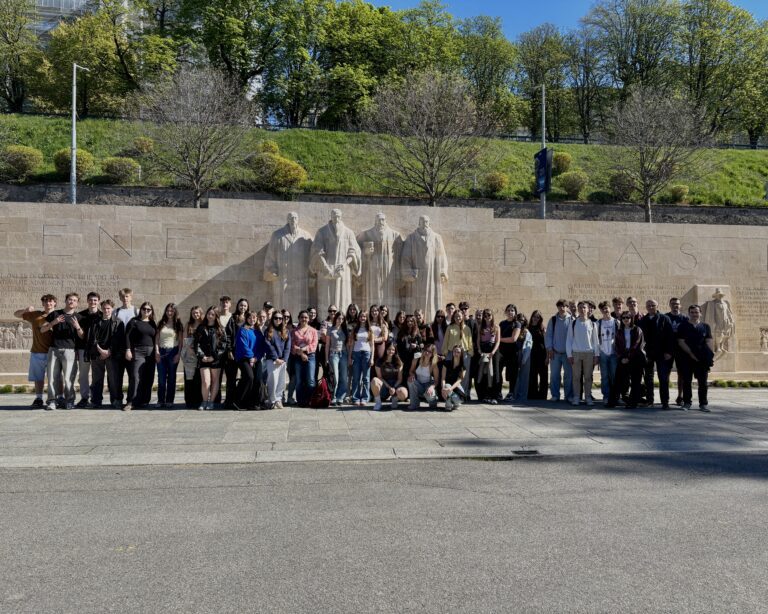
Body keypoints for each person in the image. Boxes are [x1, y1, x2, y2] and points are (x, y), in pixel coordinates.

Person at [40, 293, 84, 410]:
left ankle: (69, 401)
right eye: (70, 299)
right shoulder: (55, 314)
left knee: (68, 378)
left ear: (77, 303)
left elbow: (83, 337)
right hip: (54, 349)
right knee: (52, 377)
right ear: (65, 300)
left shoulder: (78, 317)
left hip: (69, 351)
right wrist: (53, 323)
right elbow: (42, 329)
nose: (71, 302)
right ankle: (52, 401)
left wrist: (78, 327)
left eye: (74, 300)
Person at [14, 294, 56, 408]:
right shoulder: (36, 315)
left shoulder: (59, 315)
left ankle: (57, 397)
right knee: (38, 377)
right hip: (37, 351)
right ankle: (39, 398)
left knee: (55, 377)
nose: (48, 303)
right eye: (46, 301)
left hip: (54, 352)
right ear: (42, 303)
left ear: (55, 303)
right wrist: (25, 310)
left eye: (51, 301)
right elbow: (16, 314)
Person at [86, 299, 124, 409]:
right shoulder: (95, 322)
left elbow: (118, 339)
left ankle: (116, 400)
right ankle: (96, 401)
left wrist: (109, 351)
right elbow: (92, 337)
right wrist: (99, 349)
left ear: (112, 309)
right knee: (96, 379)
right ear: (101, 308)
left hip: (112, 354)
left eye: (108, 308)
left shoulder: (118, 322)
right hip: (97, 354)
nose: (106, 310)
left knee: (113, 379)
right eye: (104, 308)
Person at [677, 304, 714, 412]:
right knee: (687, 381)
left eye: (696, 312)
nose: (694, 314)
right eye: (692, 312)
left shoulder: (705, 326)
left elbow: (709, 341)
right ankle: (687, 403)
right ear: (689, 313)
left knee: (703, 383)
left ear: (700, 313)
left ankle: (703, 404)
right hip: (686, 358)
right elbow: (681, 341)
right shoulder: (683, 326)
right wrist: (691, 354)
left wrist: (710, 355)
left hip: (702, 359)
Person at [638, 299, 675, 409]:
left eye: (653, 305)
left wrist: (669, 352)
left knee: (663, 378)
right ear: (646, 307)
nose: (650, 307)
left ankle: (665, 402)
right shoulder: (642, 320)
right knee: (648, 378)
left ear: (657, 306)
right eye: (648, 305)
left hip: (662, 354)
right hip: (647, 354)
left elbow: (670, 337)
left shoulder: (664, 319)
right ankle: (650, 400)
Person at [566, 301, 600, 407]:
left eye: (584, 307)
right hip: (576, 353)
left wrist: (596, 355)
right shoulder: (573, 323)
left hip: (589, 353)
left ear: (588, 309)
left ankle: (588, 397)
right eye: (580, 307)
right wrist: (569, 355)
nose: (582, 309)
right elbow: (569, 340)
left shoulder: (593, 324)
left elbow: (596, 341)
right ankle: (576, 397)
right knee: (576, 377)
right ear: (578, 309)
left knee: (588, 377)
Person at [124, 302, 157, 410]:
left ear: (151, 311)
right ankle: (131, 402)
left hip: (151, 353)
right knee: (135, 376)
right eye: (144, 309)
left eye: (149, 309)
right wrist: (128, 350)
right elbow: (127, 336)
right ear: (141, 310)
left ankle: (144, 401)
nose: (146, 311)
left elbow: (156, 339)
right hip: (138, 351)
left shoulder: (153, 323)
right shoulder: (134, 321)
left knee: (149, 377)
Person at [195, 306, 228, 411]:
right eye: (209, 313)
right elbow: (196, 343)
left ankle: (211, 402)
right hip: (203, 359)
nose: (210, 316)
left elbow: (223, 345)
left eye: (213, 314)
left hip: (216, 360)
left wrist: (214, 357)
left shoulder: (220, 329)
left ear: (216, 316)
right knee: (205, 381)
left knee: (215, 381)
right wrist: (201, 356)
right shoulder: (201, 327)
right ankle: (204, 401)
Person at [233, 311, 267, 410]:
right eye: (250, 318)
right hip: (243, 358)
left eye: (254, 318)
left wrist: (256, 358)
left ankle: (254, 403)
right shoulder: (243, 330)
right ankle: (238, 401)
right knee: (249, 377)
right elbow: (244, 346)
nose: (253, 319)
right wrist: (251, 357)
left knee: (258, 379)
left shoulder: (258, 331)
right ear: (247, 319)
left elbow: (262, 347)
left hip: (256, 359)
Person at [74, 292, 102, 408]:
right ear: (87, 301)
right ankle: (84, 398)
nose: (93, 302)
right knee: (83, 375)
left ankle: (96, 398)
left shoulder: (102, 315)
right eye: (91, 300)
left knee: (97, 375)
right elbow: (77, 335)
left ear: (98, 301)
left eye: (95, 300)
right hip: (83, 349)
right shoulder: (80, 316)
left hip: (97, 350)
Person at [112, 288, 139, 408]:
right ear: (120, 298)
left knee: (133, 376)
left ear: (131, 297)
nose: (125, 299)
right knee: (118, 376)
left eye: (127, 296)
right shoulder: (116, 312)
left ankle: (130, 400)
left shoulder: (136, 311)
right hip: (119, 349)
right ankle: (118, 399)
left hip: (132, 348)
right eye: (123, 297)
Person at [614, 312, 646, 408]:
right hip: (623, 357)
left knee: (635, 381)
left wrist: (628, 357)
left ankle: (633, 402)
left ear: (631, 318)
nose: (626, 319)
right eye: (623, 318)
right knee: (619, 379)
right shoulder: (619, 331)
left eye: (628, 317)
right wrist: (621, 357)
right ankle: (614, 400)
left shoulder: (637, 329)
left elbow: (637, 344)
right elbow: (617, 346)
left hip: (635, 357)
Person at [154, 303, 183, 408]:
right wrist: (156, 351)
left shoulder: (178, 324)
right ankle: (160, 400)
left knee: (171, 378)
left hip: (173, 352)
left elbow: (180, 342)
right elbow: (156, 339)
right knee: (161, 378)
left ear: (175, 312)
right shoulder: (161, 323)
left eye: (171, 311)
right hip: (161, 351)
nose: (169, 313)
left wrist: (178, 354)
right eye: (168, 310)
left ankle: (170, 400)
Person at [545, 299, 573, 403]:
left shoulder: (572, 320)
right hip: (555, 353)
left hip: (568, 354)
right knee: (554, 375)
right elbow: (548, 335)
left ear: (567, 307)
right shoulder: (553, 320)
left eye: (564, 306)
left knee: (568, 376)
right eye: (560, 306)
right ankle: (555, 395)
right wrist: (550, 348)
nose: (562, 308)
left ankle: (568, 395)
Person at [441, 309, 473, 400]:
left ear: (462, 317)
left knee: (464, 376)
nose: (458, 318)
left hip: (464, 353)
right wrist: (445, 352)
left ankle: (464, 394)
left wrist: (470, 352)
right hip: (452, 353)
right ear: (453, 318)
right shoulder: (450, 327)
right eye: (456, 316)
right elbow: (445, 340)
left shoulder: (467, 328)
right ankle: (451, 393)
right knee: (452, 374)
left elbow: (469, 341)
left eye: (459, 316)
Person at [291, 310, 318, 407]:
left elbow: (314, 345)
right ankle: (301, 401)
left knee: (310, 379)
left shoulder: (313, 331)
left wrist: (303, 349)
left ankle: (310, 400)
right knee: (299, 380)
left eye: (306, 317)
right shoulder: (294, 331)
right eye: (302, 317)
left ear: (309, 319)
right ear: (299, 318)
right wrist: (302, 353)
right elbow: (293, 345)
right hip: (298, 357)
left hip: (310, 356)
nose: (304, 319)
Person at [264, 311, 291, 409]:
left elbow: (288, 347)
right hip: (272, 360)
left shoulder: (286, 331)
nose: (278, 320)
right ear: (272, 319)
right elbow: (268, 346)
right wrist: (276, 358)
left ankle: (278, 399)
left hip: (283, 361)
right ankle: (272, 400)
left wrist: (284, 359)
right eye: (276, 318)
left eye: (280, 318)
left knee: (281, 381)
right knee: (273, 381)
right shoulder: (268, 331)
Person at [372, 342, 408, 410]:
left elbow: (400, 379)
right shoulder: (379, 361)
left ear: (395, 351)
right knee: (374, 380)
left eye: (393, 350)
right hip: (385, 386)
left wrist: (393, 387)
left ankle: (395, 399)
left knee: (404, 394)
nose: (391, 351)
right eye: (389, 349)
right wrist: (389, 387)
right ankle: (378, 403)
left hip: (396, 385)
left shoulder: (399, 362)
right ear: (386, 349)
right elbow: (380, 377)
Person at [666, 297, 689, 406]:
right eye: (673, 304)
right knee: (666, 373)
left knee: (682, 374)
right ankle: (665, 397)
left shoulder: (685, 318)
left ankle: (680, 396)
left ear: (680, 306)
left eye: (677, 304)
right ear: (669, 305)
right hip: (669, 350)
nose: (675, 305)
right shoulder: (665, 317)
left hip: (681, 350)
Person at [348, 310, 374, 406]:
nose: (362, 318)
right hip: (356, 354)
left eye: (364, 316)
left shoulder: (370, 330)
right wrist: (350, 357)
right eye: (361, 316)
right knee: (356, 378)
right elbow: (351, 344)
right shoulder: (355, 329)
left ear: (366, 318)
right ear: (358, 318)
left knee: (366, 378)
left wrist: (372, 358)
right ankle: (355, 398)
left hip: (366, 354)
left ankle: (365, 398)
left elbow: (372, 345)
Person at [180, 306, 203, 409]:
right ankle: (189, 401)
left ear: (200, 313)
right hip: (189, 355)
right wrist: (190, 349)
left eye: (197, 313)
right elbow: (185, 339)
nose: (195, 315)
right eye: (194, 313)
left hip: (201, 354)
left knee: (199, 378)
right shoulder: (188, 325)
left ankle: (198, 400)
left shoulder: (203, 324)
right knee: (189, 378)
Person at [476, 309, 501, 404]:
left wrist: (493, 352)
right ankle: (485, 395)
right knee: (484, 373)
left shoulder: (496, 327)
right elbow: (478, 340)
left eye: (489, 315)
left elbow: (498, 341)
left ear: (492, 316)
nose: (487, 317)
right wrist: (479, 350)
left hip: (493, 351)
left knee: (494, 373)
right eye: (485, 315)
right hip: (483, 350)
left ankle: (494, 396)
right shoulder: (480, 327)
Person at [596, 301, 619, 407]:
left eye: (607, 308)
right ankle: (606, 396)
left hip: (614, 353)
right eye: (603, 309)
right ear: (600, 311)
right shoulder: (598, 323)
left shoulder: (617, 322)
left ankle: (615, 396)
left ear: (610, 308)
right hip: (603, 353)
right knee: (604, 376)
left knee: (614, 376)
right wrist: (597, 354)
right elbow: (595, 340)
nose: (605, 310)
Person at [218, 296, 238, 409]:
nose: (225, 304)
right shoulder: (217, 317)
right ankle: (217, 399)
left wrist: (231, 350)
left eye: (227, 302)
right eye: (223, 302)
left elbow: (233, 336)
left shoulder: (233, 318)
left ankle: (230, 400)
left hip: (230, 352)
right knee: (217, 377)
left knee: (231, 377)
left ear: (230, 304)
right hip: (218, 352)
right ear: (220, 304)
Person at [499, 304, 522, 401]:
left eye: (512, 310)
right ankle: (498, 392)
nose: (510, 312)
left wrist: (499, 339)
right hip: (502, 352)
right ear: (505, 312)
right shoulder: (502, 323)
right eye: (508, 310)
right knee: (498, 372)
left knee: (512, 374)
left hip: (513, 352)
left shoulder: (517, 324)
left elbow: (513, 339)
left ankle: (511, 393)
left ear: (515, 312)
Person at [324, 311, 348, 406]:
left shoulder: (345, 329)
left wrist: (350, 356)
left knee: (343, 377)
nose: (340, 320)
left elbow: (348, 344)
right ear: (335, 319)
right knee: (335, 378)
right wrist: (326, 358)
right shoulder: (330, 329)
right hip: (333, 354)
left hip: (344, 354)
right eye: (339, 318)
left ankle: (340, 397)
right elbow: (327, 345)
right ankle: (333, 397)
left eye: (342, 319)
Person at [407, 344, 440, 410]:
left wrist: (431, 387)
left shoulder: (433, 365)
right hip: (418, 385)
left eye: (429, 352)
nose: (427, 353)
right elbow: (410, 371)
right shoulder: (416, 360)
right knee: (410, 381)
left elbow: (436, 381)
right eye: (426, 350)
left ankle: (433, 401)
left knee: (432, 404)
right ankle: (414, 404)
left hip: (428, 385)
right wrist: (412, 375)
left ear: (433, 354)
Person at [527, 310, 548, 400]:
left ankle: (542, 396)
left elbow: (547, 344)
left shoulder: (543, 329)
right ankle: (532, 394)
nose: (535, 318)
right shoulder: (527, 328)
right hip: (531, 355)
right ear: (531, 317)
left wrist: (547, 357)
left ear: (540, 319)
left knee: (543, 376)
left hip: (542, 355)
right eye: (534, 316)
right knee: (532, 375)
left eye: (538, 317)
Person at [513, 314, 533, 402]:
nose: (520, 321)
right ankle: (514, 394)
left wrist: (524, 359)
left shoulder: (526, 332)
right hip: (515, 354)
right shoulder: (514, 330)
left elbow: (528, 345)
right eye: (519, 320)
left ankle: (522, 396)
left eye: (522, 320)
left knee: (524, 376)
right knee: (515, 376)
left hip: (525, 354)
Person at [441, 345, 466, 411]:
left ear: (461, 354)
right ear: (452, 352)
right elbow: (443, 378)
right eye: (454, 351)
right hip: (447, 386)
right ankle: (448, 405)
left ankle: (456, 403)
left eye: (458, 352)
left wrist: (450, 389)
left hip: (456, 388)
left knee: (448, 388)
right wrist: (443, 388)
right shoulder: (446, 364)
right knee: (446, 385)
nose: (456, 353)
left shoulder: (463, 367)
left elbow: (459, 381)